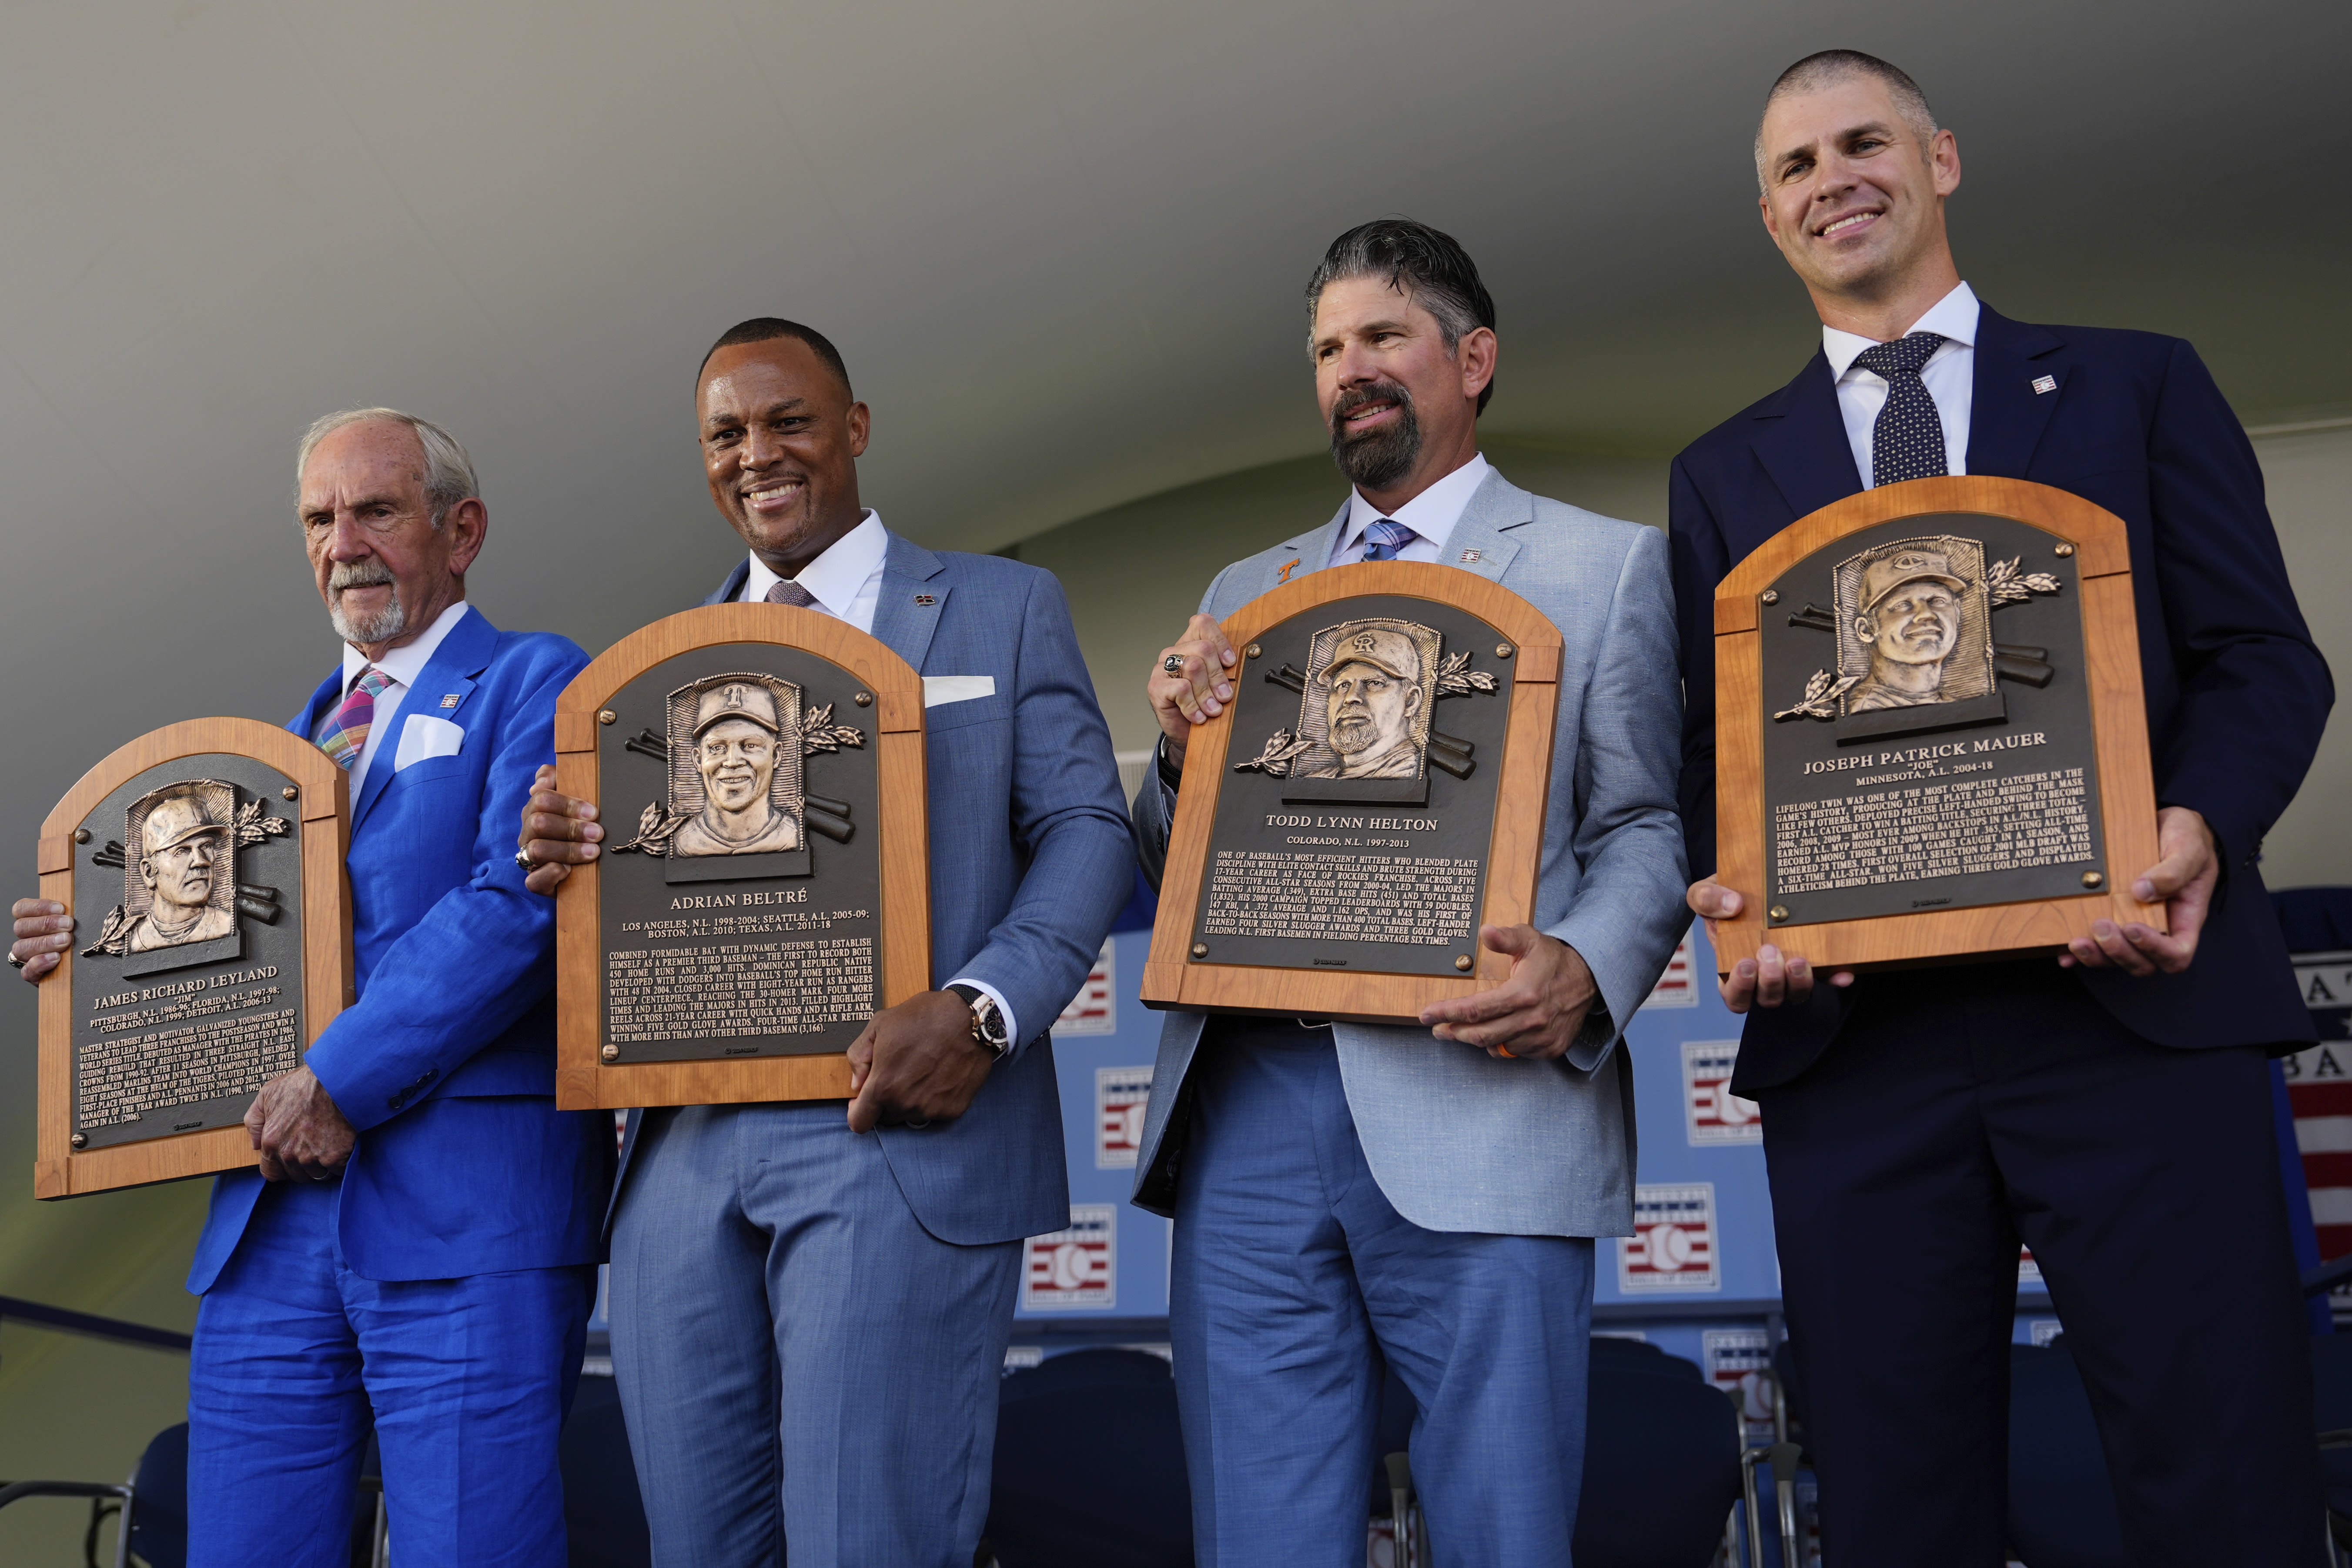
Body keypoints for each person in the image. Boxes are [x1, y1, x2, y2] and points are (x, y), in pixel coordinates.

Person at [1670, 51, 2333, 1565]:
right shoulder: (1719, 470)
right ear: (1767, 218)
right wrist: (1743, 898)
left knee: (2220, 1475)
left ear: (1940, 160)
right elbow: (1720, 753)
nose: (1829, 179)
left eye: (1860, 143)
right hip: (1861, 1050)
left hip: (2129, 1010)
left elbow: (2260, 661)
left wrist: (2196, 830)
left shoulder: (2135, 380)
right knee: (1896, 1509)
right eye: (1792, 166)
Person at [515, 318, 1132, 1568]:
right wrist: (567, 856)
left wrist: (980, 1008)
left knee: (872, 1541)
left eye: (787, 421)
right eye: (726, 433)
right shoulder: (651, 674)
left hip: (893, 1126)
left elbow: (1084, 827)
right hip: (683, 1158)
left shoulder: (1002, 606)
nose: (758, 454)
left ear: (853, 429)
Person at [1134, 220, 1687, 1564]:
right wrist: (1166, 753)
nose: (1348, 371)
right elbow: (1172, 861)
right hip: (1249, 1109)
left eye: (1381, 336)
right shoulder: (1242, 592)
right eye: (1326, 349)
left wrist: (1584, 965)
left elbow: (1649, 824)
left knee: (1501, 1532)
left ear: (1471, 356)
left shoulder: (1603, 564)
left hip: (1479, 1100)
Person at [11, 408, 611, 1566]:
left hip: (465, 1209)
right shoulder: (279, 748)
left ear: (461, 528)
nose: (344, 540)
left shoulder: (535, 677)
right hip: (266, 1213)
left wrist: (336, 1077)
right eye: (320, 518)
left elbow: (513, 902)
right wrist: (86, 955)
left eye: (376, 510)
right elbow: (215, 958)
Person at [672, 679, 801, 856]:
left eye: (750, 745)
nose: (732, 762)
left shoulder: (793, 836)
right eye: (717, 748)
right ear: (698, 759)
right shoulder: (681, 842)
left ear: (776, 755)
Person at [1845, 546, 1965, 709]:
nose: (1926, 614)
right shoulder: (1866, 711)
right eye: (1903, 604)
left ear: (1957, 613)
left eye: (1937, 601)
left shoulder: (1954, 706)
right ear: (1866, 629)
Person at [1301, 625, 1425, 779]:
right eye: (1343, 685)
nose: (1351, 697)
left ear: (1411, 701)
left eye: (1374, 683)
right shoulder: (1315, 781)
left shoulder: (1413, 772)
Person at [119, 791, 235, 952]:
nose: (201, 861)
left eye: (206, 846)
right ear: (149, 873)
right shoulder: (130, 940)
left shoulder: (228, 925)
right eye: (182, 851)